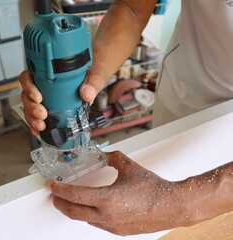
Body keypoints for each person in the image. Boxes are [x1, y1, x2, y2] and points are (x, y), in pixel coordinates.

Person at [19, 0, 233, 236]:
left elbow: (181, 203)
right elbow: (131, 8)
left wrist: (179, 204)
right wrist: (92, 75)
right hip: (184, 89)